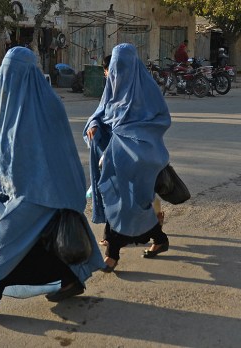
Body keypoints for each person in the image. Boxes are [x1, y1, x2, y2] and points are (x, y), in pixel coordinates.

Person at [0, 47, 104, 316]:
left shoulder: (47, 104)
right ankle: (70, 278)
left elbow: (60, 153)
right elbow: (0, 147)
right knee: (38, 243)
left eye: (13, 72)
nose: (7, 78)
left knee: (10, 237)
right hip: (24, 187)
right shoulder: (6, 103)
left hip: (45, 189)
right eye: (4, 72)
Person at [83, 43, 171, 272]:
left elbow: (159, 121)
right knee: (122, 203)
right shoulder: (112, 87)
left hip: (141, 159)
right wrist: (94, 124)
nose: (117, 73)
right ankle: (157, 239)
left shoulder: (147, 90)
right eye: (115, 67)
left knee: (131, 205)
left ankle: (113, 253)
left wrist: (120, 144)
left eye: (122, 67)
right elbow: (101, 112)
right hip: (114, 159)